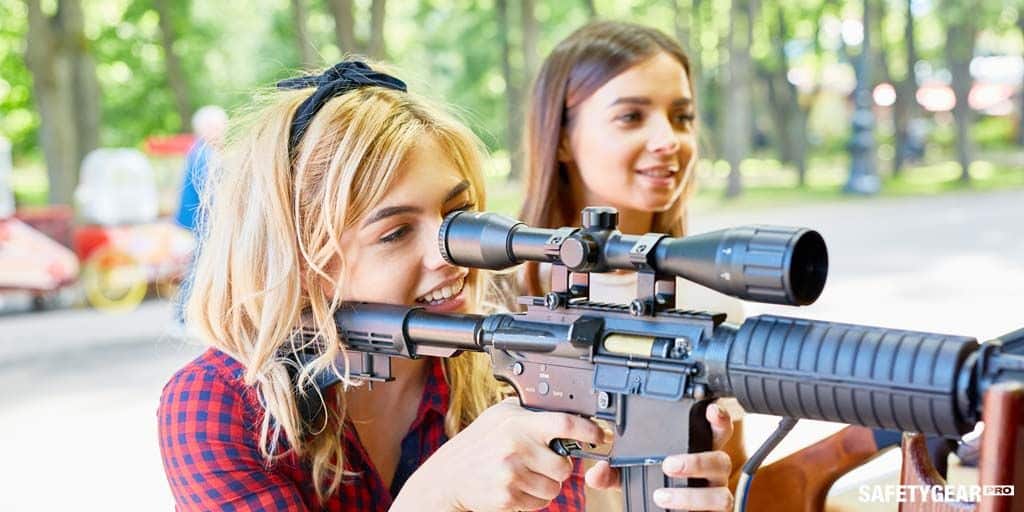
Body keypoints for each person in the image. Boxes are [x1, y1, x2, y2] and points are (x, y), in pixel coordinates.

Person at [158, 60, 735, 511]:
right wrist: (441, 496)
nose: (449, 257)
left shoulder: (514, 374)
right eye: (396, 232)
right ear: (302, 262)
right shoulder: (219, 405)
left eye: (460, 218)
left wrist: (648, 492)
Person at [516, 21, 747, 509]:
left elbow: (738, 473)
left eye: (682, 117)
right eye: (631, 116)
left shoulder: (708, 296)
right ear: (560, 139)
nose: (669, 140)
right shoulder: (505, 292)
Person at [173, 105, 228, 323]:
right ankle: (184, 317)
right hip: (203, 220)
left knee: (201, 265)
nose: (222, 131)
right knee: (202, 266)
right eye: (217, 126)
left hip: (196, 218)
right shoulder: (204, 154)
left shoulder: (198, 151)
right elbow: (212, 192)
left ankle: (186, 316)